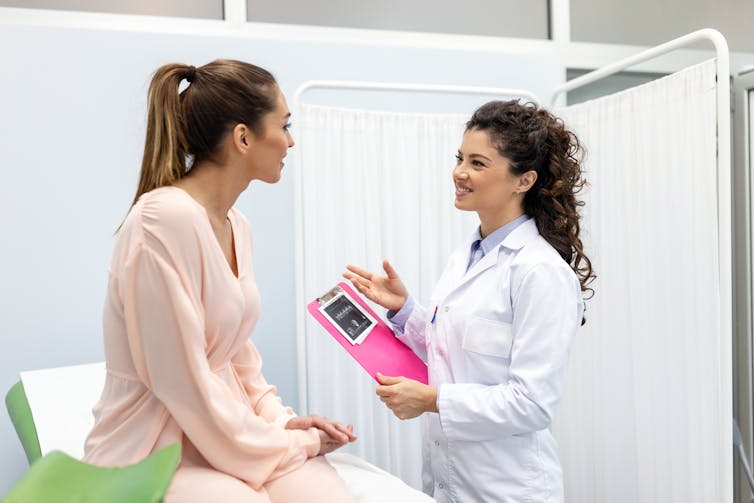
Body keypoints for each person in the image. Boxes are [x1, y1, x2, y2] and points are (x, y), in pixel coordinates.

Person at [83, 60, 357, 502]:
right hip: (154, 445)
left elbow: (236, 354)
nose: (290, 141)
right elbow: (183, 384)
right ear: (243, 137)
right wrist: (290, 444)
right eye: (284, 126)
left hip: (225, 432)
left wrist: (279, 420)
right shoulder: (161, 220)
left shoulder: (236, 224)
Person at [344, 100, 594, 502]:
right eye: (460, 158)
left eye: (478, 163)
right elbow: (456, 352)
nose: (459, 172)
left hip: (507, 488)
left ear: (523, 180)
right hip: (450, 479)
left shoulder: (539, 271)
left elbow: (532, 404)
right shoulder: (467, 254)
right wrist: (405, 310)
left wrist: (432, 400)